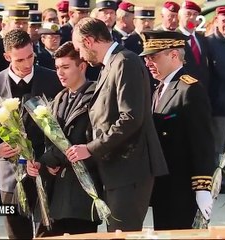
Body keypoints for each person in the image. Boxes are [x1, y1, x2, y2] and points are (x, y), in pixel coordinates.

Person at [71, 17, 168, 232]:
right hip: (117, 168)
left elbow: (130, 117)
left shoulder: (125, 62)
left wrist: (91, 148)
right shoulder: (111, 64)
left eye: (79, 48)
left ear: (89, 41)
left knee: (123, 234)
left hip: (130, 168)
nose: (80, 55)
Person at [0, 29, 62, 239]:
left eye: (30, 56)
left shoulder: (52, 79)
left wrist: (52, 158)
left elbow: (62, 124)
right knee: (16, 234)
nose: (27, 64)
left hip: (46, 169)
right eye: (19, 59)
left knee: (49, 233)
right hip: (10, 173)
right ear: (7, 57)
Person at [140, 30, 215, 230]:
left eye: (153, 57)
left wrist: (202, 187)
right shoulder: (160, 88)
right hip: (164, 183)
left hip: (182, 186)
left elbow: (202, 142)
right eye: (146, 58)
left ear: (173, 55)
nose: (148, 63)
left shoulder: (189, 89)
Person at [27, 41, 101, 237]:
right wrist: (40, 164)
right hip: (54, 193)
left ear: (82, 66)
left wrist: (50, 159)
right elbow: (50, 141)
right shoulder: (58, 98)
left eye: (66, 67)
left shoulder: (96, 96)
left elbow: (85, 139)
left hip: (81, 193)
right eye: (58, 67)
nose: (60, 72)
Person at [207, 6, 225, 193]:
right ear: (216, 21)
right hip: (220, 107)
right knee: (218, 148)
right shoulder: (210, 43)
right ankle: (218, 183)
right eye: (224, 20)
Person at [177, 0, 210, 89]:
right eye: (188, 14)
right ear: (179, 17)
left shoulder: (202, 39)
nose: (192, 17)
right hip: (183, 91)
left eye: (195, 14)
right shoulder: (174, 38)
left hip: (203, 91)